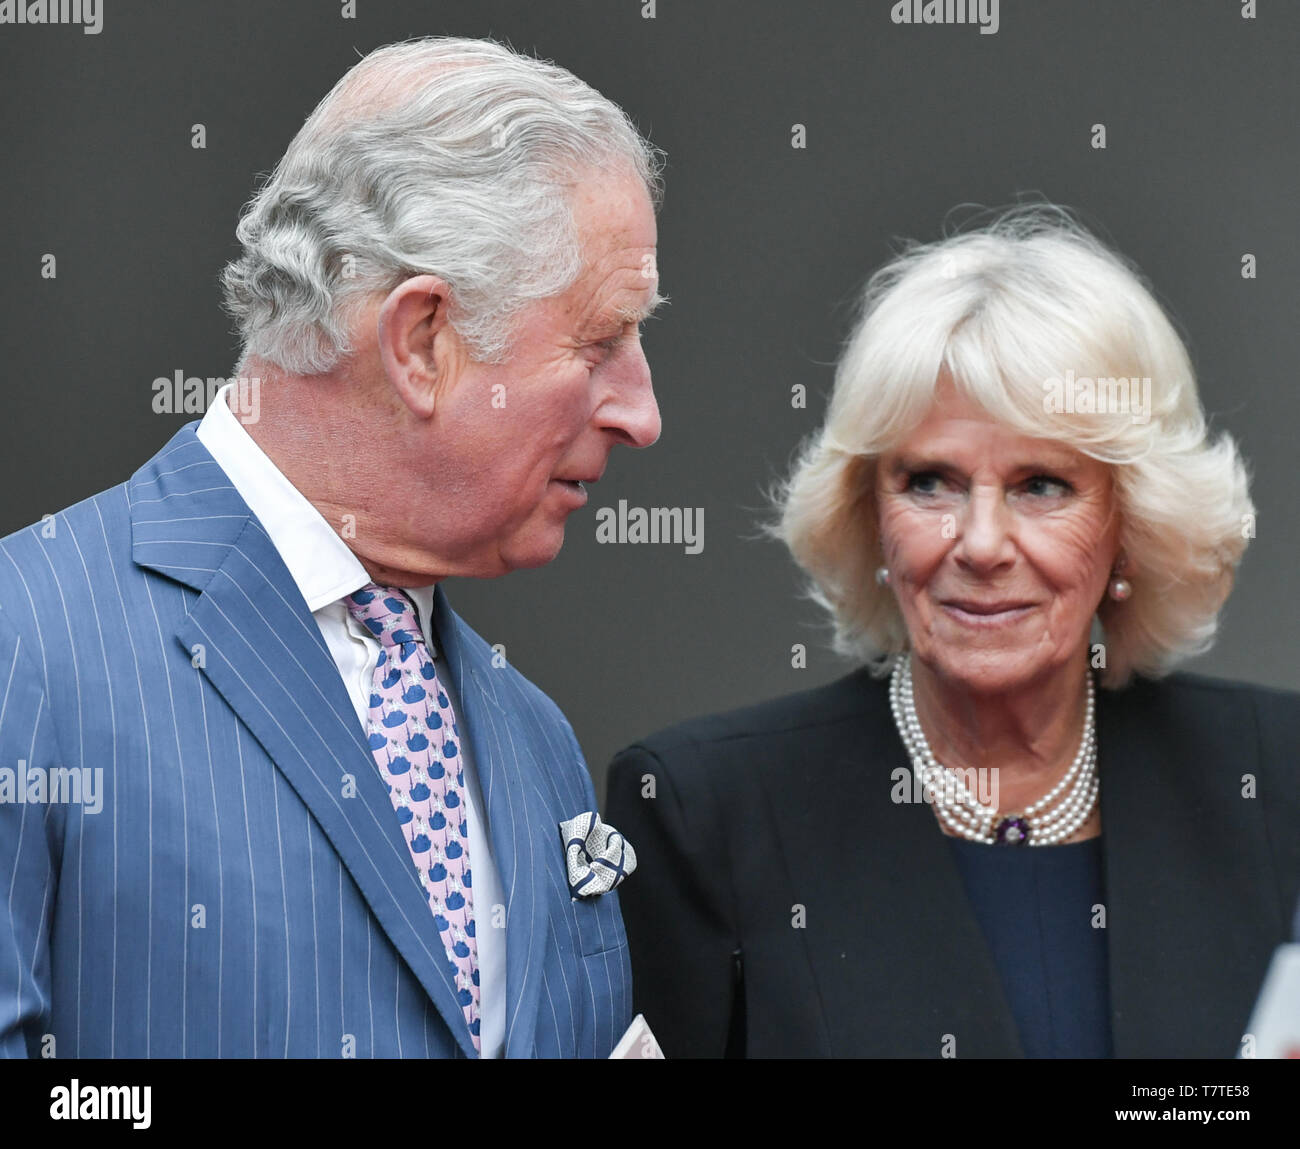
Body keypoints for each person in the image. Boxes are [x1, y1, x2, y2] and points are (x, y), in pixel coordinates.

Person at [0, 36, 663, 1059]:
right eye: (599, 344)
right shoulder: (29, 643)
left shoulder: (534, 741)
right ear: (421, 341)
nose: (640, 412)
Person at [606, 206, 1300, 1058]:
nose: (978, 543)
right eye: (929, 481)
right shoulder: (705, 812)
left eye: (1042, 484)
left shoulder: (1277, 780)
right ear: (869, 515)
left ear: (1134, 522)